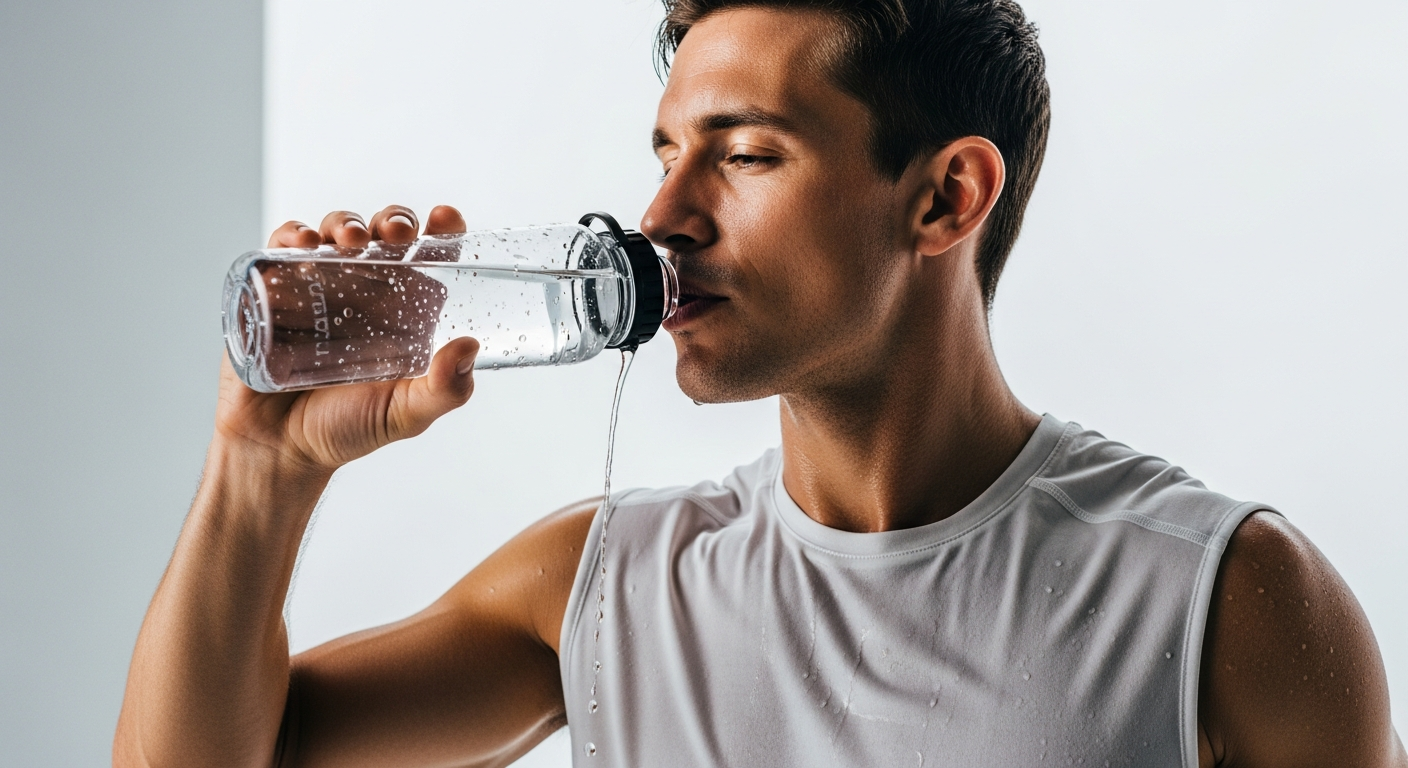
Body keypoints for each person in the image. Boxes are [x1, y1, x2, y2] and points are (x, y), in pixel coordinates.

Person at [114, 1, 1406, 766]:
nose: (661, 215)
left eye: (745, 155)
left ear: (946, 196)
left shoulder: (1221, 600)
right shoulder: (602, 589)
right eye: (667, 152)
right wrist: (260, 473)